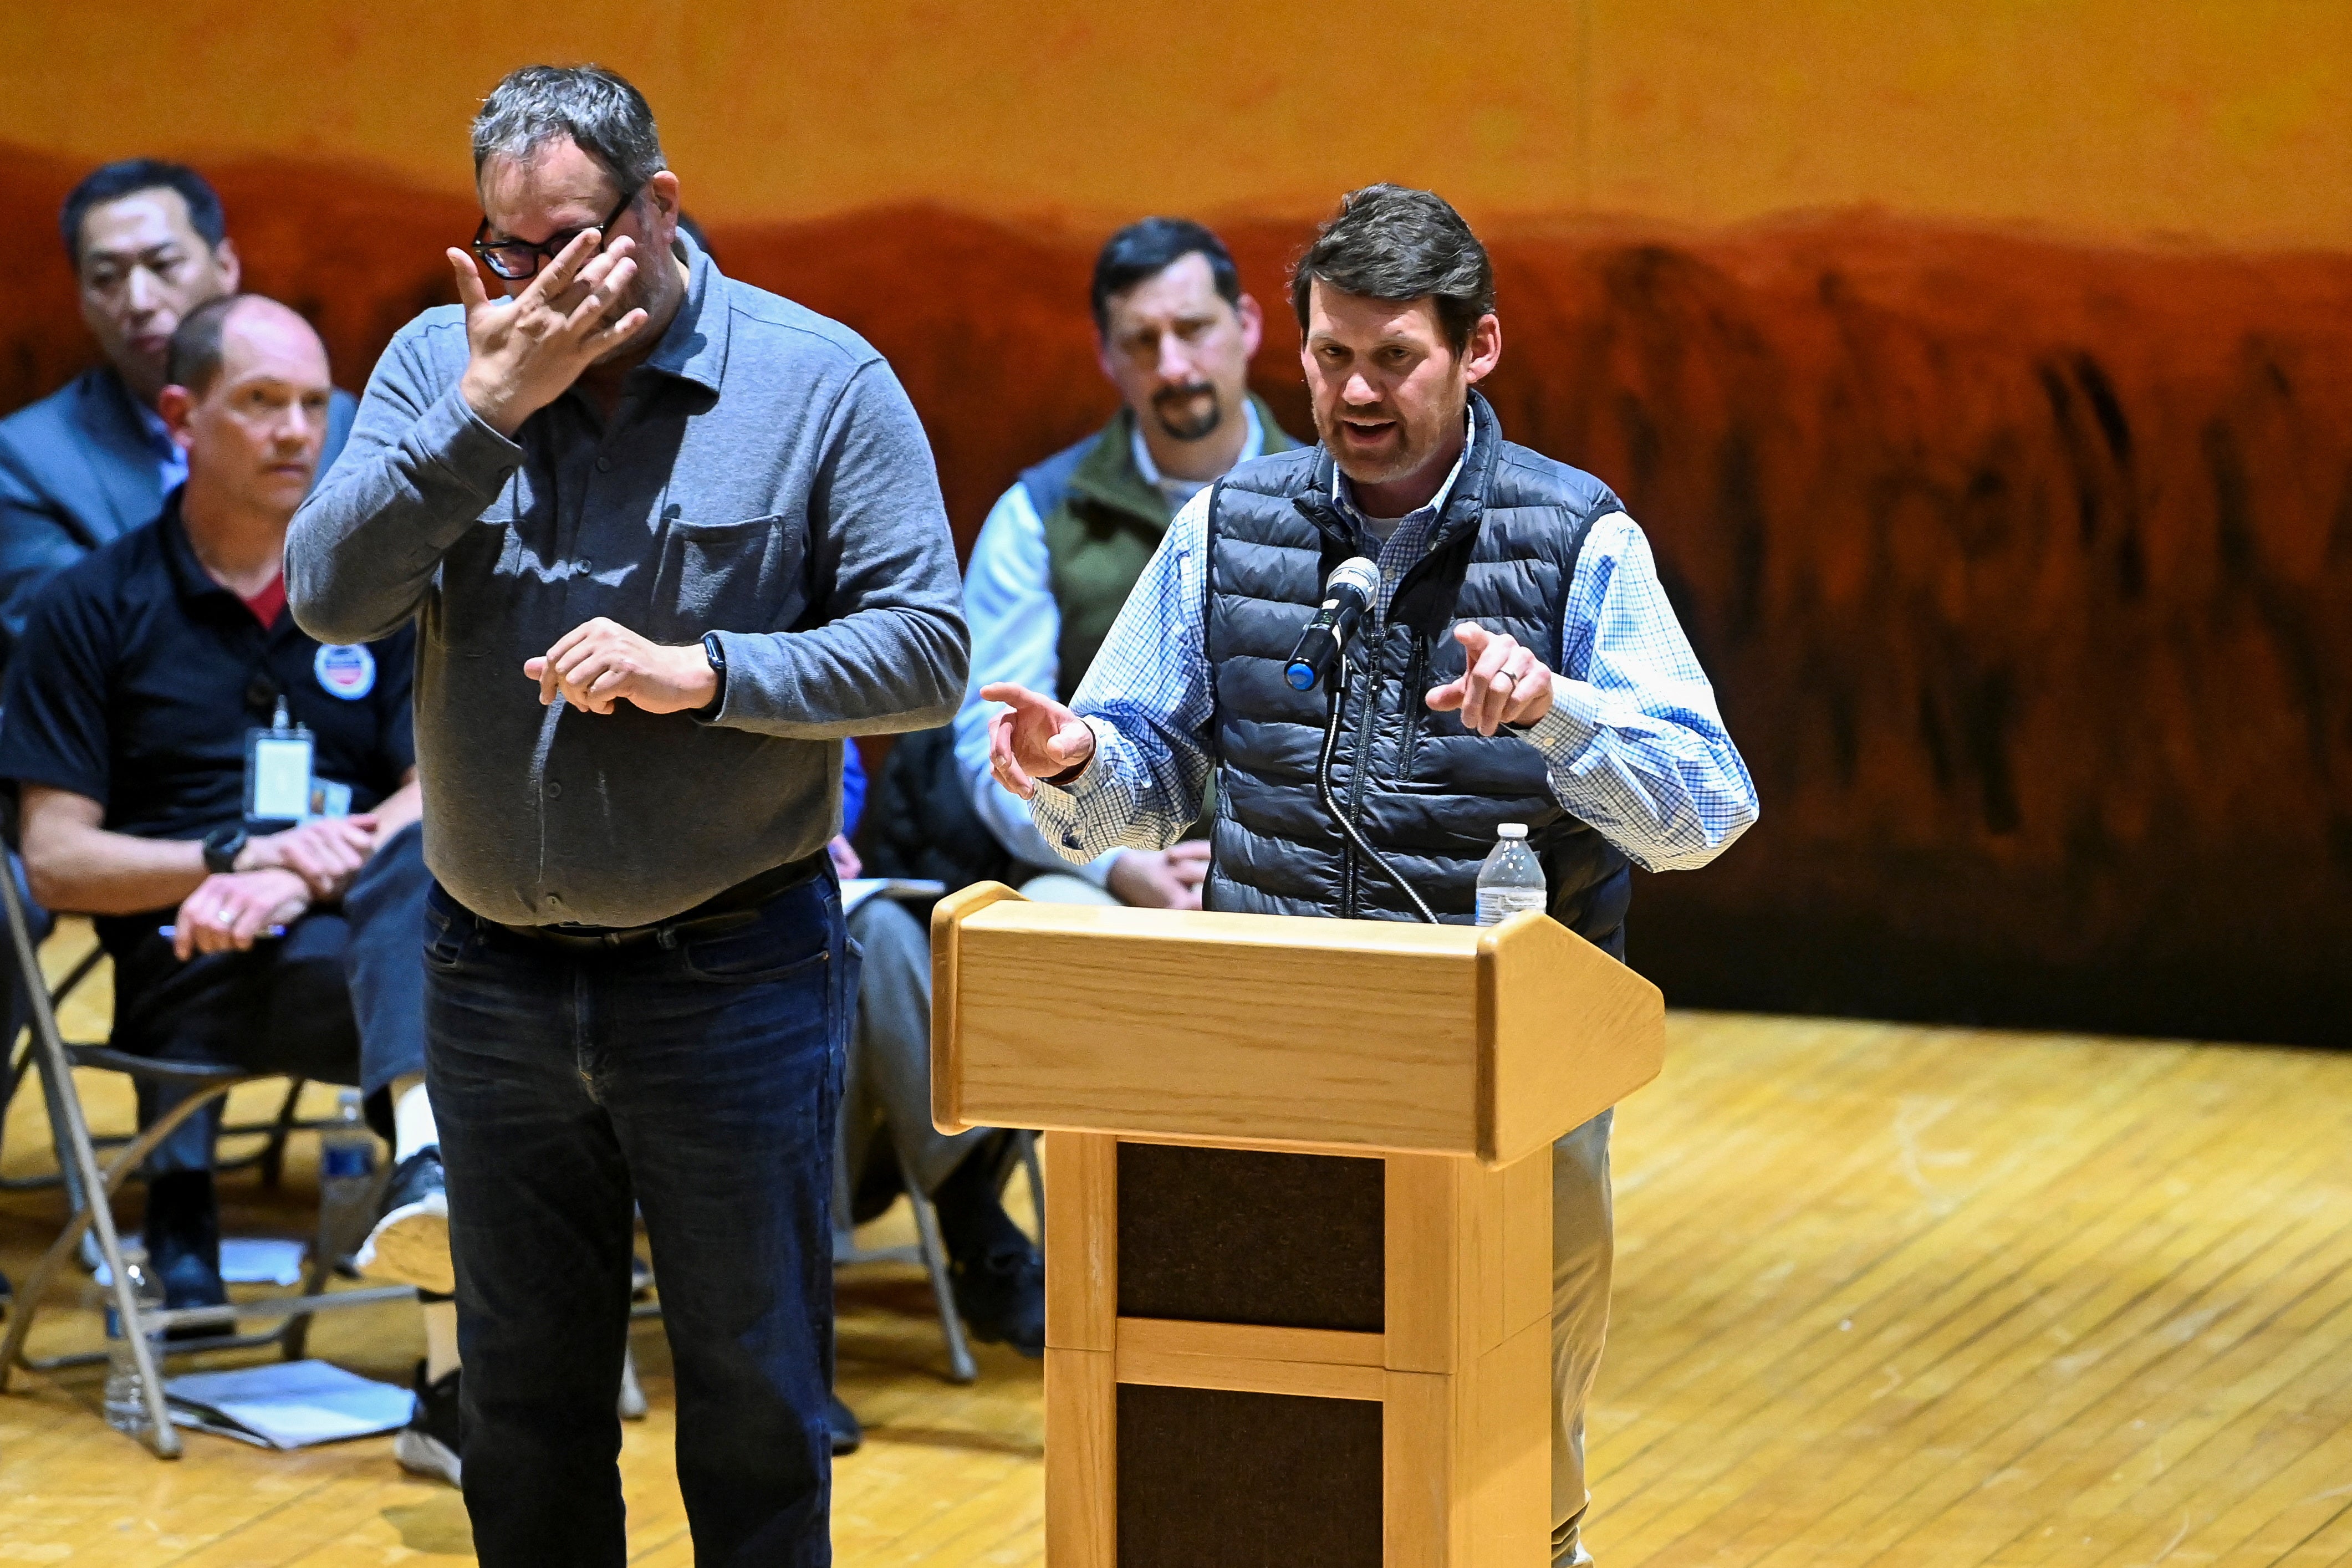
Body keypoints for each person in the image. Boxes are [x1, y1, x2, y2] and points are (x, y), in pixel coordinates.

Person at [984, 185, 1761, 1568]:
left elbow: (1705, 810)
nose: (1354, 392)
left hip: (1505, 1081)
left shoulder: (1577, 536)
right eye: (1330, 355)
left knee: (1503, 1482)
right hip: (1269, 1064)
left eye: (1393, 357)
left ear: (1478, 349)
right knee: (1278, 1459)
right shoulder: (1230, 526)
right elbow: (1140, 779)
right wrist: (1074, 761)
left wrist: (1557, 716)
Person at [285, 65, 967, 1567]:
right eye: (508, 249)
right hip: (490, 979)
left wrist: (707, 672)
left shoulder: (819, 382)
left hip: (732, 978)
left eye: (573, 244)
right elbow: (327, 594)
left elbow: (928, 652)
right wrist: (485, 412)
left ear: (659, 207)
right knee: (521, 1410)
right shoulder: (442, 364)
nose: (539, 286)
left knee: (754, 1404)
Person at [0, 293, 462, 1484]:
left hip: (356, 941)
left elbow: (436, 788)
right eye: (260, 402)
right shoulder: (90, 606)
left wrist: (301, 870)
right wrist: (235, 861)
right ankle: (457, 1381)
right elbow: (55, 857)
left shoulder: (375, 595)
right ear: (179, 416)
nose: (298, 430)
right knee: (458, 995)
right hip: (190, 965)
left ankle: (441, 1236)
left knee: (465, 950)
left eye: (313, 403)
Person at [947, 216, 1299, 908]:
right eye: (1142, 341)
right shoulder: (1039, 513)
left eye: (1193, 329)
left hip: (1297, 869)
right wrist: (1114, 866)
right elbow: (990, 744)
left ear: (1247, 325)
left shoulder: (1332, 498)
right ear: (1106, 355)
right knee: (1056, 910)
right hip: (1112, 865)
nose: (1173, 367)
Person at [0, 160, 356, 657]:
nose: (139, 301)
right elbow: (65, 649)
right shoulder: (28, 460)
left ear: (226, 266)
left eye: (164, 266)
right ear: (81, 299)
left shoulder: (340, 426)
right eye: (106, 277)